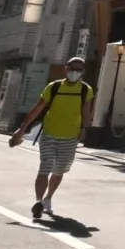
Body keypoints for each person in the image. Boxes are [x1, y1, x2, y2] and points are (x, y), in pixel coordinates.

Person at [9, 57, 94, 220]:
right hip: (49, 134)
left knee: (59, 170)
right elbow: (38, 108)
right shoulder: (54, 87)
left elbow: (86, 111)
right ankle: (38, 201)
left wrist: (84, 128)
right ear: (66, 68)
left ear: (83, 72)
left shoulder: (85, 90)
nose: (75, 73)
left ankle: (48, 197)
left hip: (70, 136)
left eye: (79, 70)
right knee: (45, 167)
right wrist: (22, 128)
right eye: (72, 69)